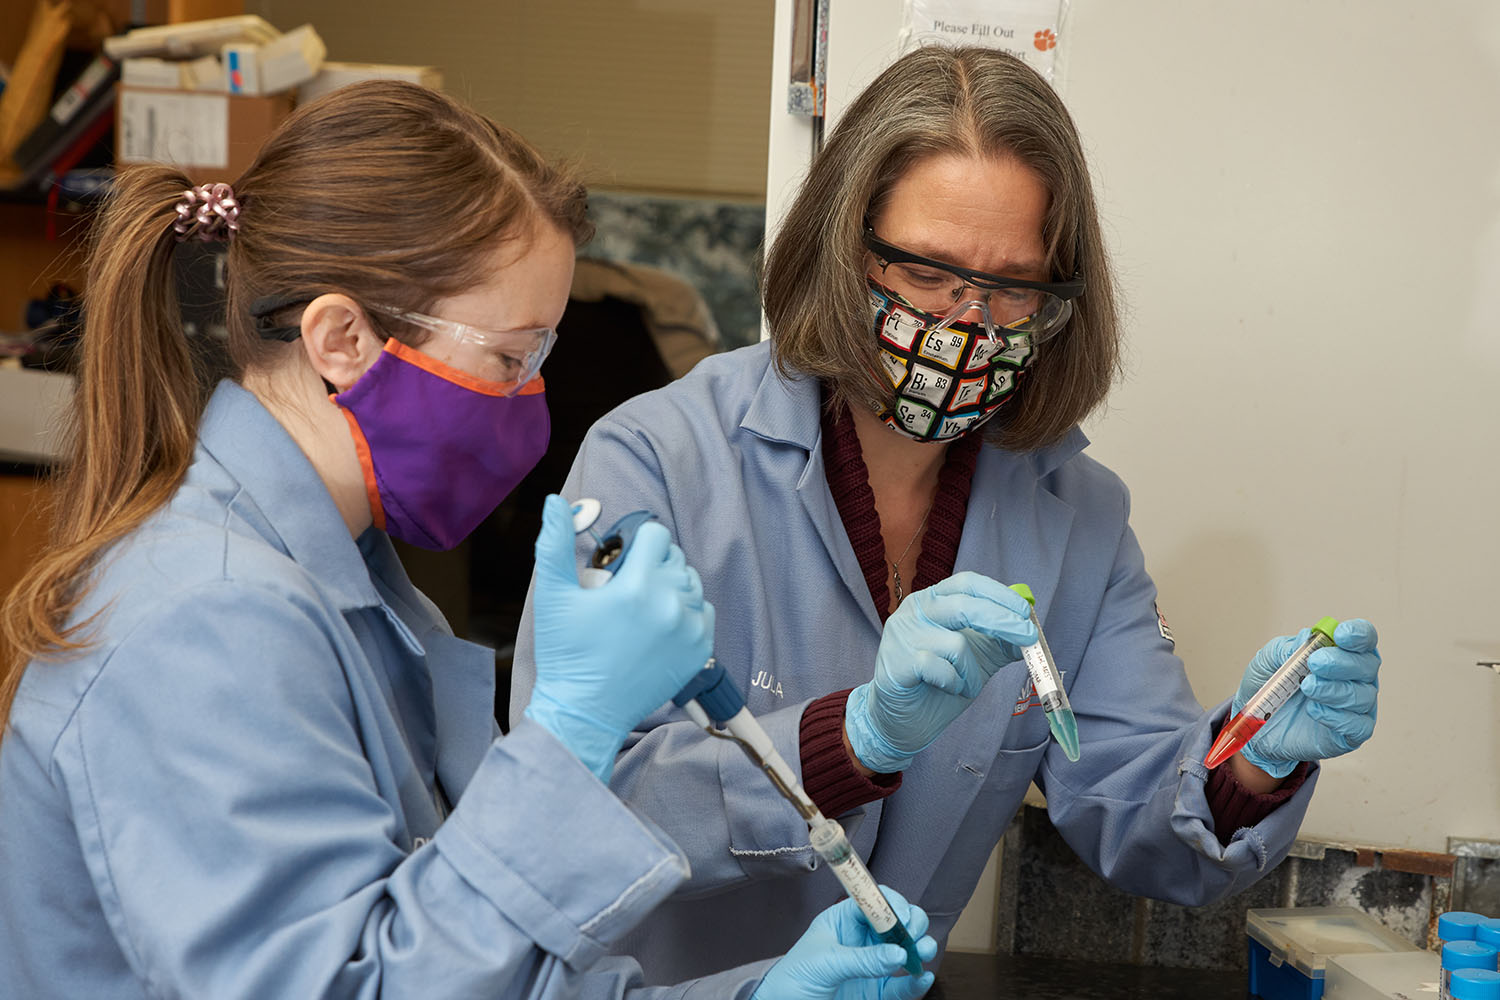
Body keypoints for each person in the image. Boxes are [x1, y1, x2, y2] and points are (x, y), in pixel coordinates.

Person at [0, 81, 942, 1000]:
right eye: (508, 356)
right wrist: (570, 735)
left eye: (542, 358)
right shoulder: (207, 617)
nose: (533, 401)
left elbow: (482, 963)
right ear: (342, 339)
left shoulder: (359, 594)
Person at [509, 46, 1383, 984]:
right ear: (845, 250)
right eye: (929, 272)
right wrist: (851, 741)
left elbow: (1139, 814)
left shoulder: (1075, 516)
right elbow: (572, 809)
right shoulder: (661, 460)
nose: (968, 322)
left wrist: (1252, 764)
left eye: (1011, 286)